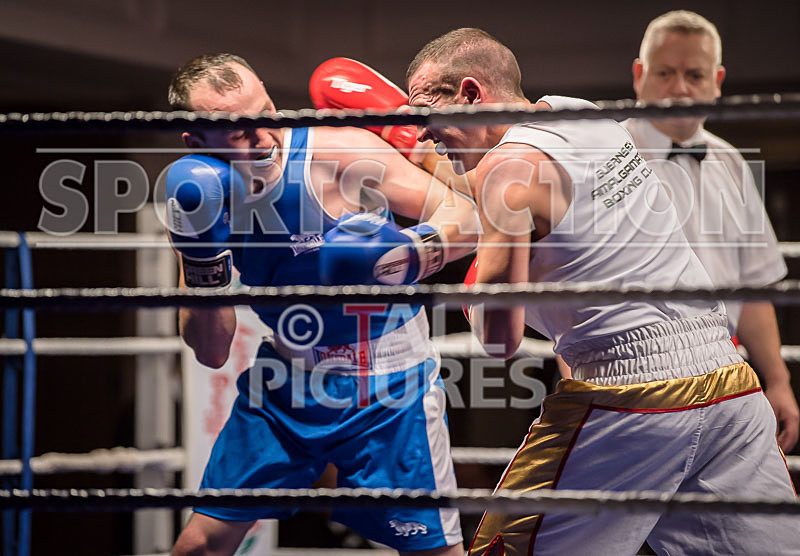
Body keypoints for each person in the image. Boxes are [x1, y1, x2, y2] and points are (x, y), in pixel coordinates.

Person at [406, 28, 800, 555]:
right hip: (729, 383)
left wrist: (476, 279)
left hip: (631, 398)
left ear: (471, 94)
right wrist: (436, 171)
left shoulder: (505, 171)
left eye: (426, 114)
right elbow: (523, 190)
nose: (423, 134)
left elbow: (500, 341)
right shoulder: (582, 115)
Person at [165, 53, 478, 555]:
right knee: (198, 546)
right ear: (196, 143)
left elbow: (463, 212)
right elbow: (212, 350)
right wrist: (201, 255)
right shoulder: (198, 198)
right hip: (286, 382)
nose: (263, 138)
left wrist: (406, 255)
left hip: (388, 383)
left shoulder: (335, 151)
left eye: (266, 113)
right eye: (240, 133)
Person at [622, 9, 798, 453]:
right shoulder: (605, 156)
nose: (680, 88)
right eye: (665, 73)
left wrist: (777, 380)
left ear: (717, 81)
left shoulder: (732, 164)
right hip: (629, 374)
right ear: (640, 76)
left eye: (694, 75)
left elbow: (753, 287)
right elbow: (573, 284)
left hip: (725, 375)